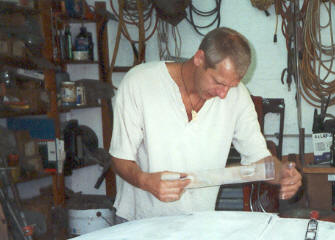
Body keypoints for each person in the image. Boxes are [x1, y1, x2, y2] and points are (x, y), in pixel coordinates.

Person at [109, 27, 302, 221]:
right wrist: (145, 181)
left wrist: (282, 173)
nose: (223, 94)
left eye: (231, 86)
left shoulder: (237, 96)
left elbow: (258, 158)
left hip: (199, 222)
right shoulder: (140, 84)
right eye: (218, 82)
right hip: (139, 221)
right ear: (199, 58)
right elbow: (120, 158)